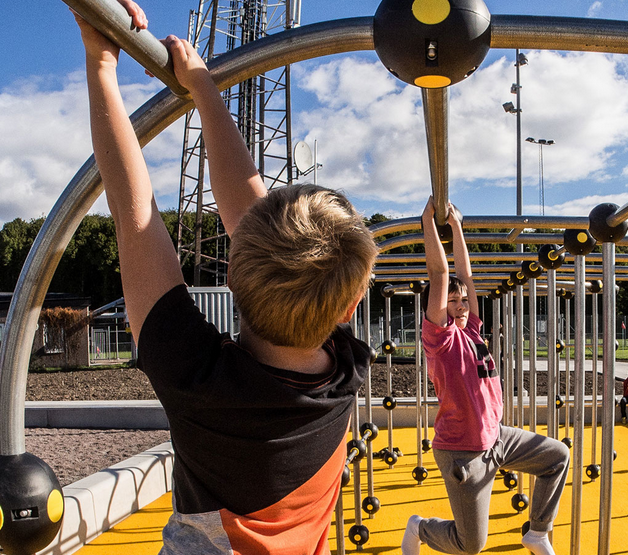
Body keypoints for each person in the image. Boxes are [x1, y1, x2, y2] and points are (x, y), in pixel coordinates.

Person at [73, 3, 379, 553]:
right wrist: (108, 67)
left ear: (233, 271)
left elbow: (142, 208)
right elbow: (135, 212)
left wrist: (122, 65)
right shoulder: (343, 371)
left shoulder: (203, 379)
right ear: (349, 307)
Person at [401, 197, 570, 555]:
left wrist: (458, 226)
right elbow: (442, 274)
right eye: (452, 303)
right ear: (439, 309)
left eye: (462, 301)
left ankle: (538, 532)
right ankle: (419, 527)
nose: (460, 306)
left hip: (497, 438)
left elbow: (465, 274)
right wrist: (428, 221)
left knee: (557, 456)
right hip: (463, 450)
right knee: (471, 545)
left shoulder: (474, 329)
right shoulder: (439, 339)